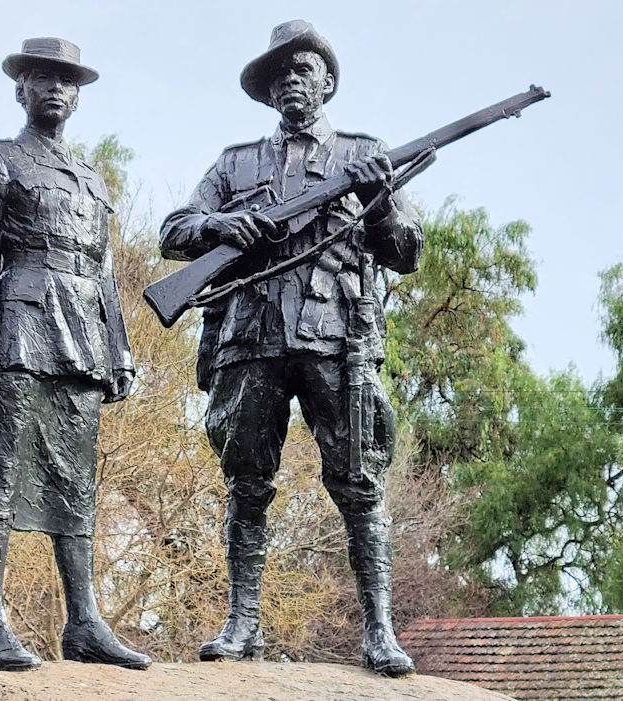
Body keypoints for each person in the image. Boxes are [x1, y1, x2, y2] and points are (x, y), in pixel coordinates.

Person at [159, 20, 422, 676]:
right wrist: (220, 224)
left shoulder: (365, 154)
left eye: (303, 71)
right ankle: (242, 623)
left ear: (327, 82)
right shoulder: (235, 165)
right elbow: (173, 232)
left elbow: (408, 251)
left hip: (339, 341)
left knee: (359, 485)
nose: (291, 82)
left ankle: (380, 632)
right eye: (280, 75)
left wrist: (379, 201)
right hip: (250, 339)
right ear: (268, 91)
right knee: (246, 484)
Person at [0, 37, 150, 671]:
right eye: (43, 79)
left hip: (83, 336)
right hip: (20, 324)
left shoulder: (91, 180)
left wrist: (118, 350)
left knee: (76, 481)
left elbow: (106, 271)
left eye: (68, 81)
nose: (57, 89)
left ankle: (85, 622)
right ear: (22, 90)